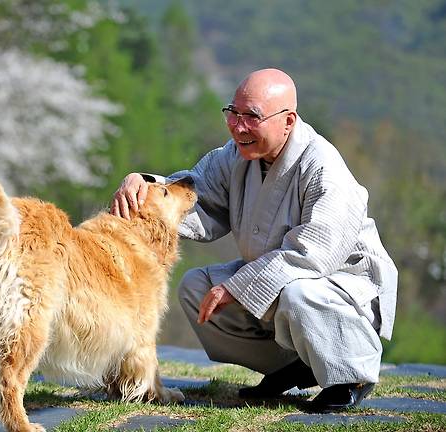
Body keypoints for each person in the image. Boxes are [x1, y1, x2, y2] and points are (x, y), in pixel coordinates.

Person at [110, 68, 398, 413]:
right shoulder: (235, 155)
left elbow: (313, 255)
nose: (239, 126)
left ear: (288, 121)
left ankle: (350, 375)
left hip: (340, 287)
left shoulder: (325, 169)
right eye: (233, 113)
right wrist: (143, 187)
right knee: (196, 288)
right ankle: (293, 367)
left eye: (252, 117)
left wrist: (237, 286)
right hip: (275, 276)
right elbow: (191, 193)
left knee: (299, 292)